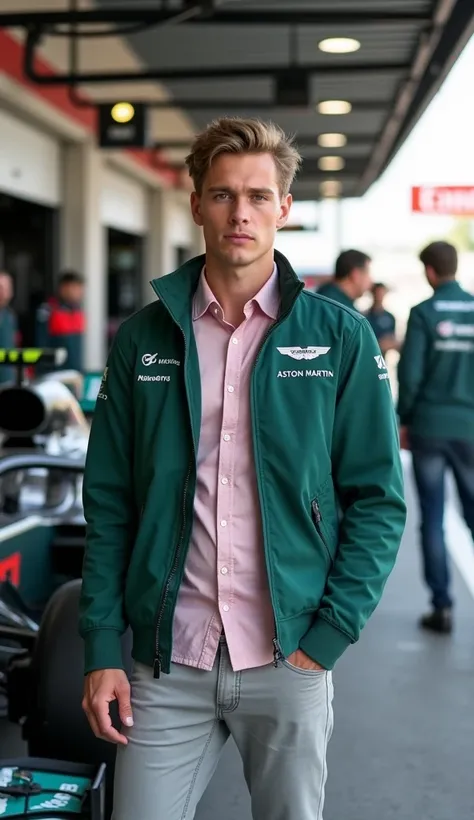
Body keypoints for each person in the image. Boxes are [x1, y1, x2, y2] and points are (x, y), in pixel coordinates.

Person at [79, 117, 406, 820]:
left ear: (285, 207)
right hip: (167, 666)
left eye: (259, 196)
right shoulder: (143, 339)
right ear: (196, 204)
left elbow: (378, 498)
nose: (241, 213)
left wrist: (329, 637)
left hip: (288, 656)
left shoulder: (338, 337)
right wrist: (103, 645)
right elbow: (108, 503)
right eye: (223, 195)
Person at [398, 240, 474, 634]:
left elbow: (409, 375)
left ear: (429, 271)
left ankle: (442, 607)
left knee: (433, 517)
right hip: (470, 428)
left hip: (429, 426)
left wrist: (404, 419)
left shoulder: (424, 313)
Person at [36, 271, 85, 372]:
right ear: (64, 288)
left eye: (80, 288)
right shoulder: (47, 310)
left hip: (75, 373)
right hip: (54, 374)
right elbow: (41, 345)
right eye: (75, 288)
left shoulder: (78, 312)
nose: (80, 292)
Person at [366, 283, 399, 354]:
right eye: (377, 293)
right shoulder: (364, 317)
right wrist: (380, 344)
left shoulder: (390, 317)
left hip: (383, 358)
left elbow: (393, 340)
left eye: (381, 293)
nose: (379, 296)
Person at [0, 273, 17, 385]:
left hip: (8, 379)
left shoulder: (10, 316)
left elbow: (13, 344)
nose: (3, 293)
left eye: (7, 288)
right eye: (0, 288)